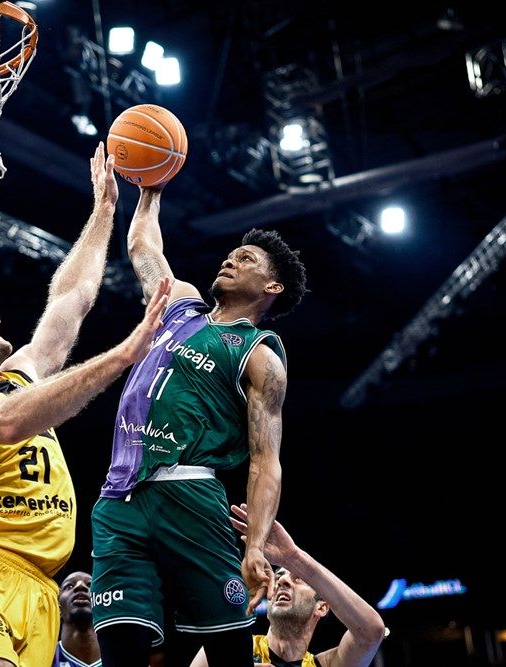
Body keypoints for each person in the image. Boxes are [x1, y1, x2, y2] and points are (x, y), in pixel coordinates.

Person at [0, 143, 172, 667]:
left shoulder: (19, 377)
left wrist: (104, 211)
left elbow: (72, 297)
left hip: (42, 588)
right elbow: (7, 423)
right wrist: (122, 355)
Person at [90, 185, 309, 667]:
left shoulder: (259, 354)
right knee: (119, 645)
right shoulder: (179, 306)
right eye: (231, 255)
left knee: (228, 648)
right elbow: (143, 249)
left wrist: (255, 545)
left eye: (247, 259)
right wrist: (151, 191)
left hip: (191, 496)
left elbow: (266, 459)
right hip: (118, 497)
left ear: (272, 287)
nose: (230, 261)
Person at [190, 506, 386, 667]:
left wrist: (294, 558)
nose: (283, 581)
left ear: (322, 607)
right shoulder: (231, 650)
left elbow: (371, 631)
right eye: (279, 576)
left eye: (298, 578)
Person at [54, 571, 102, 667]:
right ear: (58, 607)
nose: (80, 586)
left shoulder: (125, 657)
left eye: (90, 585)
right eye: (69, 586)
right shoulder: (41, 657)